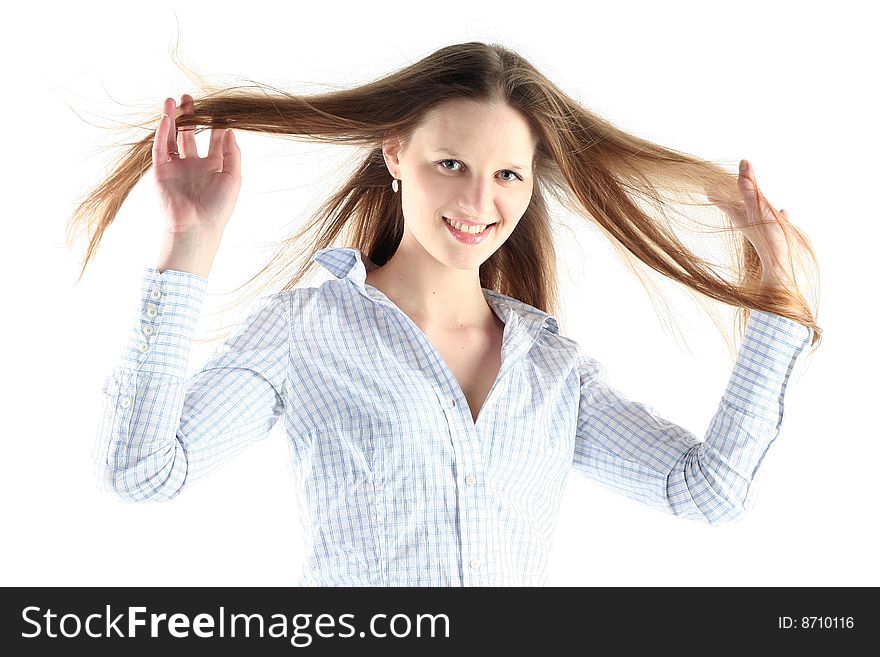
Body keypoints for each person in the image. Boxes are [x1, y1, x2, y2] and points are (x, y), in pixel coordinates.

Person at [74, 42, 821, 586]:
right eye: (451, 164)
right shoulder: (305, 333)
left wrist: (780, 305)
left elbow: (709, 490)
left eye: (507, 175)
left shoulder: (553, 371)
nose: (477, 203)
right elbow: (141, 472)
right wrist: (190, 241)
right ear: (394, 154)